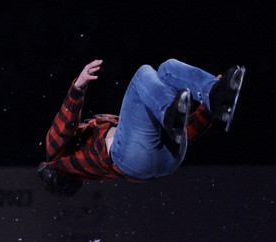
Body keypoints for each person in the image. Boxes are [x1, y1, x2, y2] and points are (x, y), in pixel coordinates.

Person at [39, 58, 245, 196]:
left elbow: (185, 132)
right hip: (132, 156)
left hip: (165, 161)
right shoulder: (55, 159)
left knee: (167, 69)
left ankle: (216, 96)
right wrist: (78, 87)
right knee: (142, 74)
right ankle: (172, 111)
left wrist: (208, 110)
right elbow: (64, 125)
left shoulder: (90, 167)